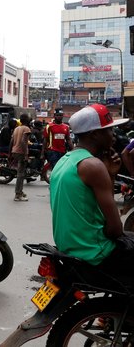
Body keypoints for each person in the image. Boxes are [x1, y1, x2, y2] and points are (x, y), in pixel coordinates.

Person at [50, 104, 134, 278]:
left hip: (69, 248)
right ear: (95, 134)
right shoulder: (92, 165)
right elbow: (115, 230)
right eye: (109, 130)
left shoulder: (65, 161)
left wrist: (110, 174)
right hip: (94, 253)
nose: (113, 136)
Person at [9, 114, 32, 202]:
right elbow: (23, 141)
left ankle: (20, 191)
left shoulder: (16, 128)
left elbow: (11, 142)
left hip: (14, 151)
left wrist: (9, 154)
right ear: (27, 120)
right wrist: (26, 154)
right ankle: (18, 194)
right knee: (20, 174)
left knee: (20, 173)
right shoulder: (26, 129)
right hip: (21, 152)